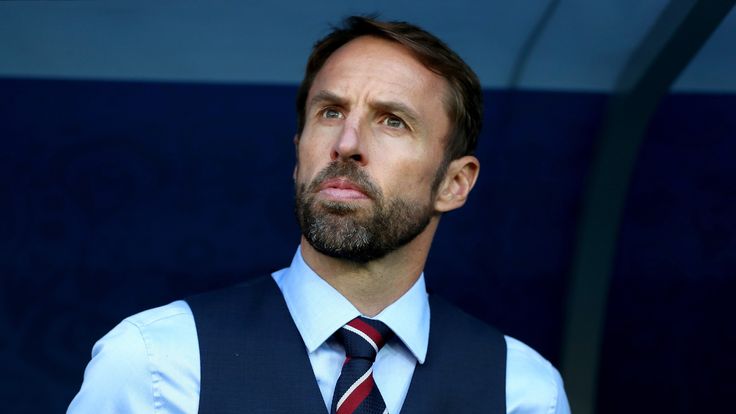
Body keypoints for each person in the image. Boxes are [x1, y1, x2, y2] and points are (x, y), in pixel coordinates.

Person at [68, 16, 570, 414]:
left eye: (392, 121)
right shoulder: (156, 364)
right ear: (298, 151)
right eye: (330, 112)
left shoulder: (522, 392)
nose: (346, 144)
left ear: (454, 183)